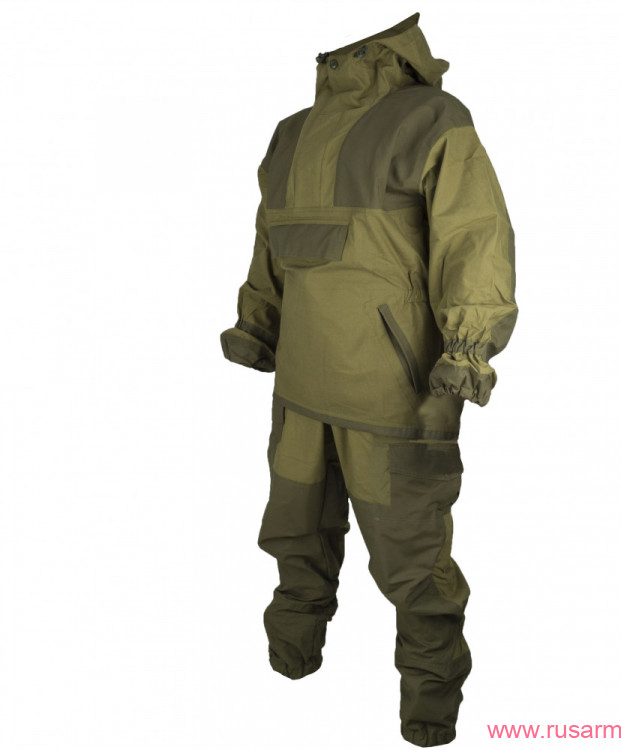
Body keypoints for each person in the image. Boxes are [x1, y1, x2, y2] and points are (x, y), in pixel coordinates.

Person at [220, 12, 518, 747]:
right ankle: (291, 662)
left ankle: (429, 713)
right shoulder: (290, 133)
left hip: (395, 395)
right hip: (300, 389)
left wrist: (468, 348)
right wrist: (259, 322)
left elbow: (474, 237)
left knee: (413, 566)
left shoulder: (432, 118)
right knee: (295, 534)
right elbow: (271, 239)